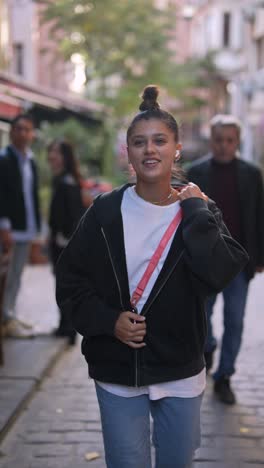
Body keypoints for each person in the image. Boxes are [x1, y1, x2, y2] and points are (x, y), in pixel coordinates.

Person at [56, 86, 248, 468]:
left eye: (160, 140)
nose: (150, 150)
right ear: (128, 151)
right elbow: (70, 282)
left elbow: (219, 273)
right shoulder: (105, 212)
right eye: (139, 142)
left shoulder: (198, 209)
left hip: (180, 368)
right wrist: (108, 321)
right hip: (117, 369)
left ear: (176, 148)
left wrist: (195, 211)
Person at [188, 114, 264, 405]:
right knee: (201, 318)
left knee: (235, 321)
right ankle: (208, 347)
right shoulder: (196, 172)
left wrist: (259, 257)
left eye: (229, 140)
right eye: (218, 140)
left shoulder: (251, 174)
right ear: (211, 140)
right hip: (204, 260)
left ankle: (225, 376)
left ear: (237, 141)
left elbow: (258, 216)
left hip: (239, 262)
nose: (223, 146)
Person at [0, 114, 41, 338]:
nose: (23, 133)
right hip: (9, 229)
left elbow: (31, 195)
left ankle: (10, 314)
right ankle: (5, 316)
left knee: (16, 274)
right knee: (5, 275)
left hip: (27, 227)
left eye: (27, 129)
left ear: (32, 134)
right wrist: (4, 226)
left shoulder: (31, 160)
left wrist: (37, 229)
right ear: (12, 132)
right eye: (18, 129)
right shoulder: (4, 159)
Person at [47, 139, 86, 344]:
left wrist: (64, 238)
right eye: (51, 151)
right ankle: (65, 326)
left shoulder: (68, 182)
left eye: (56, 152)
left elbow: (72, 216)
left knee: (66, 285)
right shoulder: (62, 179)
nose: (52, 156)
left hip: (65, 243)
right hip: (60, 241)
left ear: (65, 157)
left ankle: (69, 327)